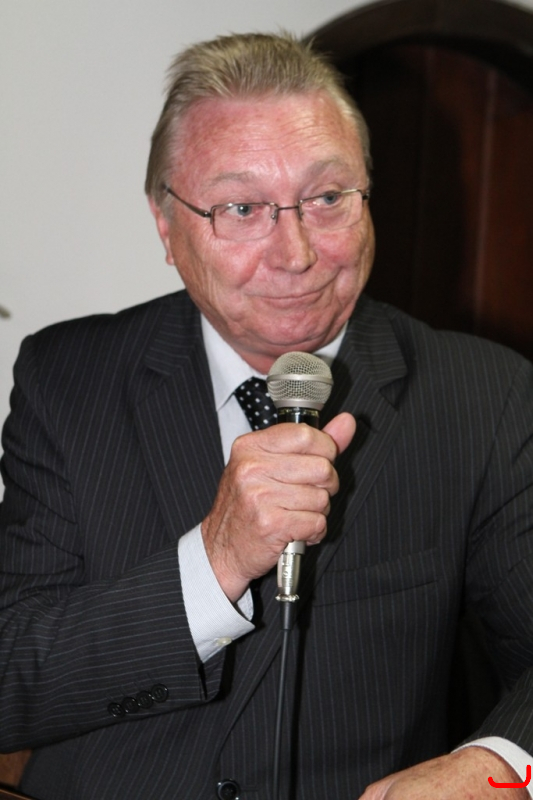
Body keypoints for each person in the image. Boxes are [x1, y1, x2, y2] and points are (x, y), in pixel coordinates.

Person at [1, 31, 533, 800]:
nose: (295, 253)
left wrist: (501, 766)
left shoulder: (483, 394)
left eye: (326, 199)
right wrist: (213, 563)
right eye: (242, 208)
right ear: (166, 227)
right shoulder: (67, 378)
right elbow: (11, 675)